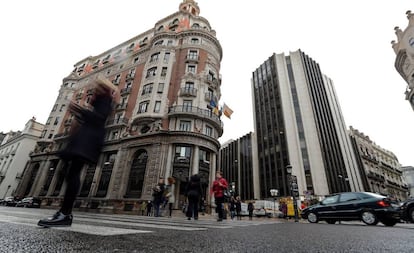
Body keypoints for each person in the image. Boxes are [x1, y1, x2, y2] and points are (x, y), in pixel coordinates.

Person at [38, 76, 117, 227]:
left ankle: (65, 214)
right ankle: (64, 212)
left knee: (72, 173)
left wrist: (79, 109)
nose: (93, 89)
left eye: (96, 87)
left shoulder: (105, 99)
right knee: (66, 172)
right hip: (83, 138)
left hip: (88, 140)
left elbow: (99, 118)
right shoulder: (99, 100)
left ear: (103, 88)